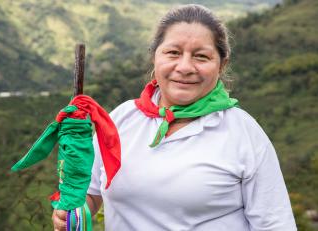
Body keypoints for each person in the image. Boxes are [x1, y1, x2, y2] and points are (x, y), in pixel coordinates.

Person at [52, 4, 297, 231]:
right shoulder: (122, 118)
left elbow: (275, 224)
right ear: (154, 57)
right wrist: (74, 212)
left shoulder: (243, 133)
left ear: (221, 64)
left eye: (201, 56)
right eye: (173, 53)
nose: (185, 67)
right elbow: (92, 192)